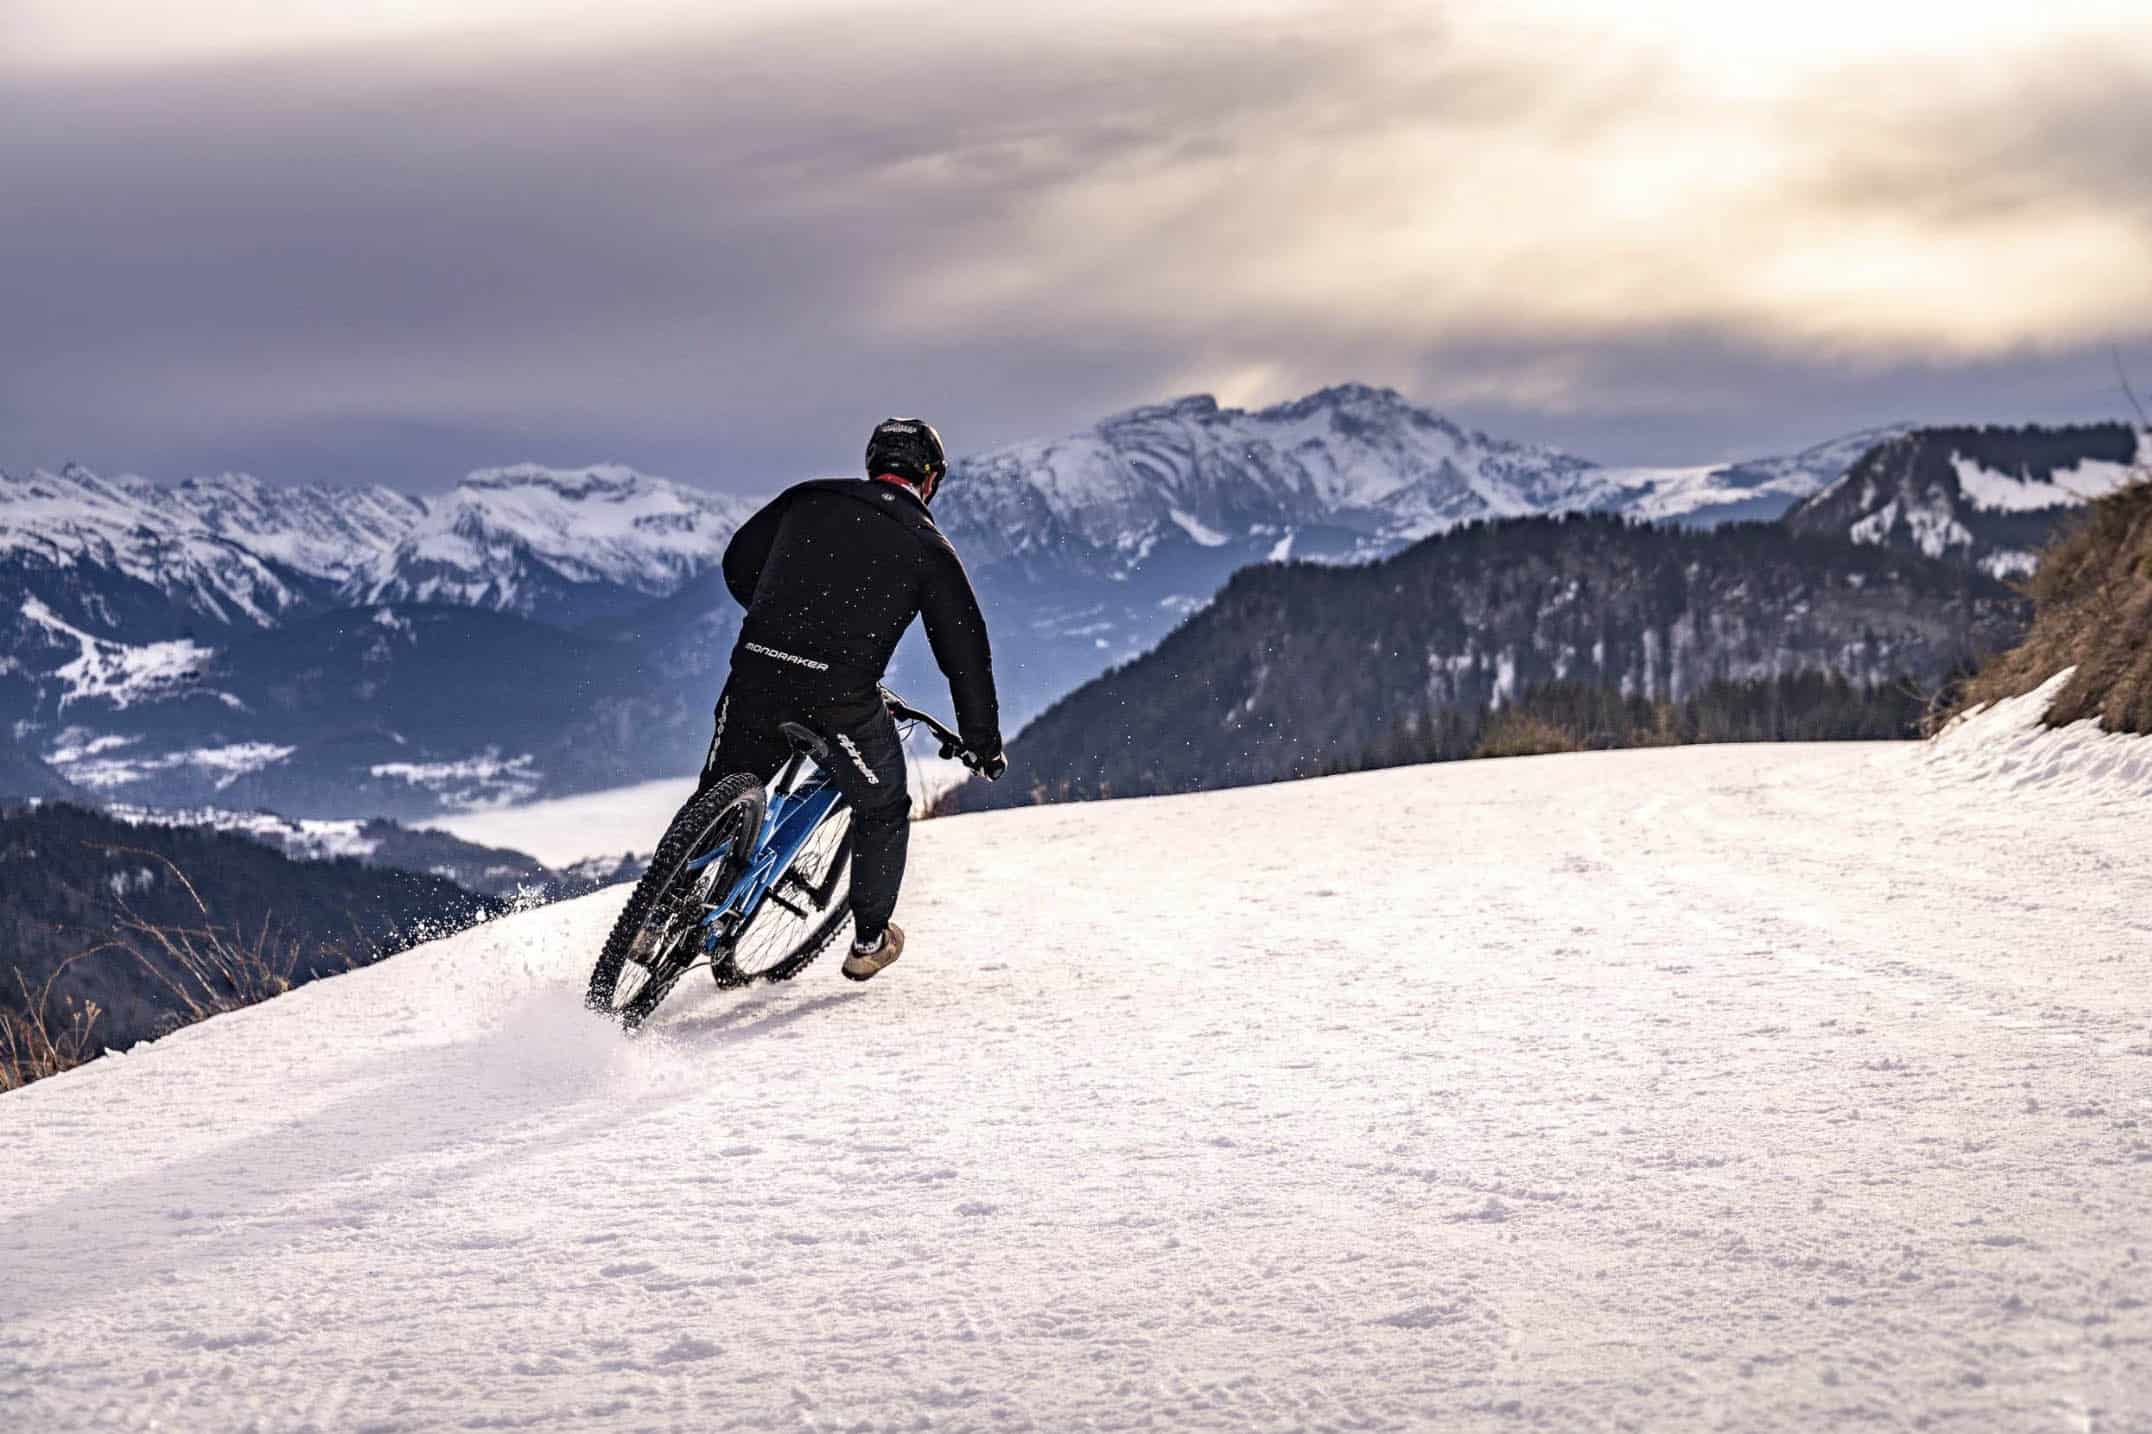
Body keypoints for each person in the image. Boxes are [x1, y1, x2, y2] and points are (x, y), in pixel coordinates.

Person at [699, 417, 1004, 980]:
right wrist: (983, 745)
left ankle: (661, 913)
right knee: (883, 804)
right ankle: (868, 942)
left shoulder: (807, 499)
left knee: (720, 790)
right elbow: (965, 658)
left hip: (757, 671)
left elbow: (738, 564)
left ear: (871, 464)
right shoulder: (928, 547)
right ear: (931, 480)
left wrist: (778, 624)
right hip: (839, 695)